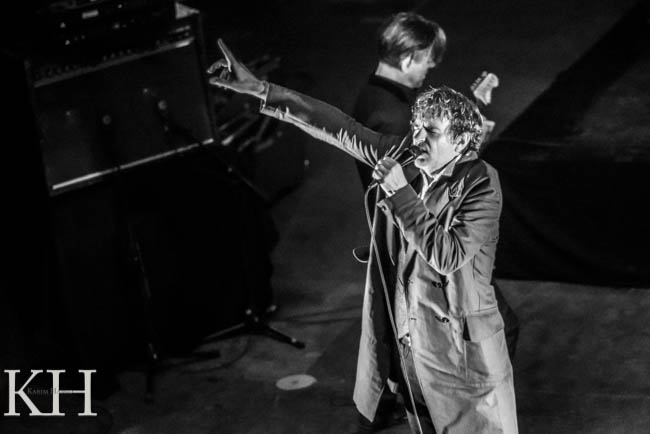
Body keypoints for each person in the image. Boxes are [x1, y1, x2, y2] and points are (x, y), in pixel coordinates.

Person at [209, 39, 518, 433]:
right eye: (416, 128)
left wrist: (400, 192)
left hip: (462, 361)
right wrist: (260, 89)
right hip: (413, 345)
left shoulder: (481, 183)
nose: (417, 139)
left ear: (459, 142)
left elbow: (447, 254)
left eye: (431, 132)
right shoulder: (404, 154)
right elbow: (338, 127)